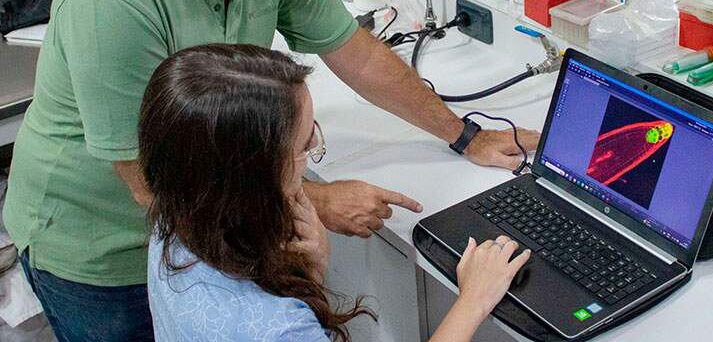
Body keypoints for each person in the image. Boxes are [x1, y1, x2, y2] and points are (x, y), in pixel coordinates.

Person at [4, 0, 538, 341]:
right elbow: (149, 182)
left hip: (213, 235)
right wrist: (316, 201)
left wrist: (464, 135)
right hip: (104, 250)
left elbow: (353, 51)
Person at [141, 44, 531, 341]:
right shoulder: (280, 330)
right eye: (304, 143)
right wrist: (475, 298)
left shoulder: (175, 221)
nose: (313, 147)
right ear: (253, 177)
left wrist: (306, 273)